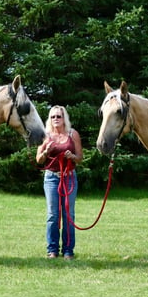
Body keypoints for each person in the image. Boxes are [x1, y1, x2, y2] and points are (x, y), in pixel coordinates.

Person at [36, 105, 83, 259]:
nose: (56, 119)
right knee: (53, 215)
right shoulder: (46, 135)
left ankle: (68, 251)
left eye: (59, 116)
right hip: (51, 178)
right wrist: (45, 152)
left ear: (64, 119)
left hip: (69, 177)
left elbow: (80, 159)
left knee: (69, 214)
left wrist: (72, 157)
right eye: (53, 117)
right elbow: (39, 160)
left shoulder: (73, 134)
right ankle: (52, 250)